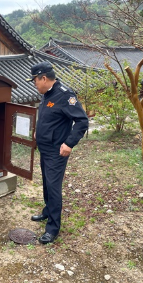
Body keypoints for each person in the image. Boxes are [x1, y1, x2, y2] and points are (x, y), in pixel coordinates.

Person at [26, 61, 88, 244]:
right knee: (46, 182)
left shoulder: (65, 95)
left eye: (35, 81)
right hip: (45, 147)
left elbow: (82, 121)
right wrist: (39, 131)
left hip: (56, 151)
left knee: (53, 187)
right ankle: (47, 211)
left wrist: (69, 143)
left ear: (43, 78)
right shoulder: (46, 94)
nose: (34, 84)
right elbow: (49, 117)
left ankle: (53, 228)